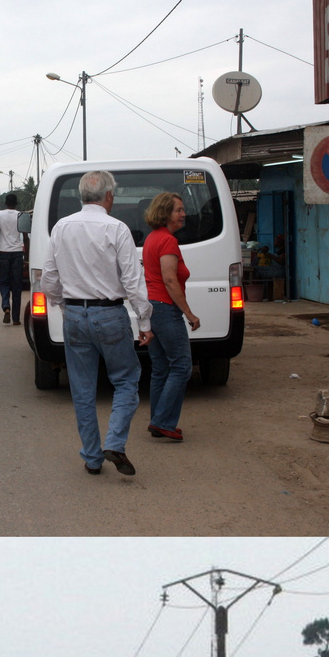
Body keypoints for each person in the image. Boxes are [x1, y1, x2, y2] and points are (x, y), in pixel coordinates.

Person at [37, 169, 151, 477]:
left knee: (83, 390)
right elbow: (132, 280)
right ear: (109, 196)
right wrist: (144, 321)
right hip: (110, 315)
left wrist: (64, 305)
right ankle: (114, 441)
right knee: (126, 381)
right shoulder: (117, 228)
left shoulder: (62, 227)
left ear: (81, 196)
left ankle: (91, 457)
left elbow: (48, 278)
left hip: (74, 315)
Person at [142, 191, 199, 442]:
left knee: (161, 367)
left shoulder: (153, 238)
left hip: (153, 307)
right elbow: (169, 279)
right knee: (182, 366)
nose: (183, 214)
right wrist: (188, 312)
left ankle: (159, 420)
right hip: (165, 308)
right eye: (178, 210)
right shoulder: (167, 241)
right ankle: (163, 421)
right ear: (166, 213)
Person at [0, 192, 26, 325]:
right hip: (17, 253)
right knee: (17, 285)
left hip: (4, 252)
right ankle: (16, 319)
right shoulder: (21, 215)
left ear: (5, 203)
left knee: (4, 282)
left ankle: (6, 307)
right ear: (16, 203)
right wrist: (27, 257)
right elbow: (26, 237)